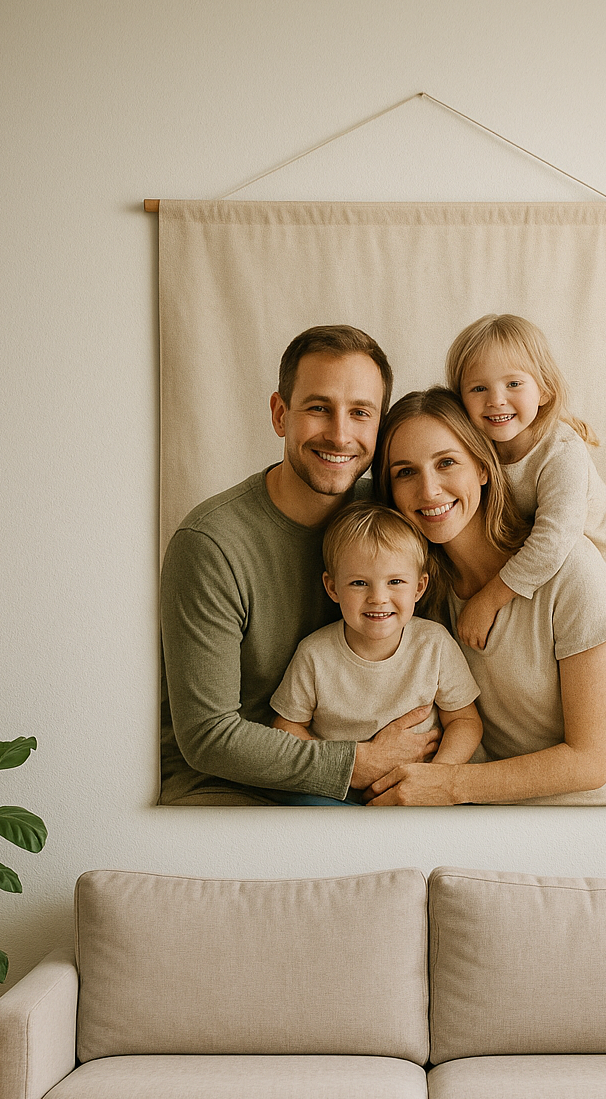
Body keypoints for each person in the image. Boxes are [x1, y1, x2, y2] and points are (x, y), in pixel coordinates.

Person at [159, 325, 441, 805]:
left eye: (360, 413)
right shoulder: (211, 544)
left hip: (375, 784)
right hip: (235, 790)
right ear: (280, 413)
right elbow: (208, 735)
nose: (340, 434)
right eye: (318, 408)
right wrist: (359, 761)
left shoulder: (393, 515)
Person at [369, 387, 606, 807]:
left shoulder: (570, 568)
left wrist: (447, 785)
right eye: (405, 472)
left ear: (483, 469)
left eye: (447, 462)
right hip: (499, 823)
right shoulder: (419, 599)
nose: (429, 490)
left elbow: (590, 762)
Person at [445, 314, 606, 804]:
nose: (497, 400)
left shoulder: (562, 450)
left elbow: (555, 538)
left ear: (545, 389)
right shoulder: (482, 451)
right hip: (562, 575)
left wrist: (491, 597)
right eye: (478, 389)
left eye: (513, 384)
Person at [269, 504, 483, 804]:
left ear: (419, 587)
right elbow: (286, 726)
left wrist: (438, 775)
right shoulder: (315, 654)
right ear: (332, 588)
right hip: (337, 794)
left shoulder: (433, 644)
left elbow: (464, 722)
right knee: (302, 807)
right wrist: (338, 768)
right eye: (359, 583)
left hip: (418, 792)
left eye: (395, 582)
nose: (378, 598)